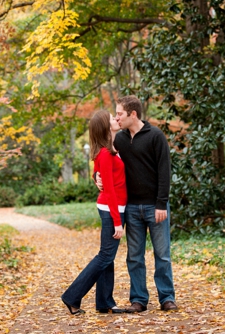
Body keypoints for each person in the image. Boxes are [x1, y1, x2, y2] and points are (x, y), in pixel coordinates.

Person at [98, 95, 177, 312]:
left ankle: (167, 298)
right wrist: (96, 176)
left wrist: (161, 203)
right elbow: (104, 160)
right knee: (134, 256)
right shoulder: (120, 140)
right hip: (131, 207)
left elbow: (164, 171)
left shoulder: (156, 136)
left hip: (155, 206)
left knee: (162, 254)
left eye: (120, 114)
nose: (117, 117)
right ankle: (139, 300)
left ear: (133, 114)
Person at [61, 110, 129, 315]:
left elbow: (100, 173)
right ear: (105, 127)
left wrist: (95, 176)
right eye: (112, 118)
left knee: (107, 257)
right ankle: (72, 296)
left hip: (113, 207)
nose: (116, 119)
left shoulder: (109, 149)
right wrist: (117, 222)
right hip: (112, 209)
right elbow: (109, 189)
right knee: (105, 256)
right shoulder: (106, 153)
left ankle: (105, 302)